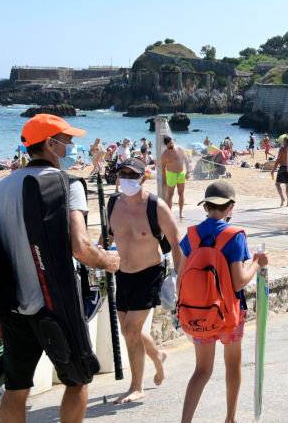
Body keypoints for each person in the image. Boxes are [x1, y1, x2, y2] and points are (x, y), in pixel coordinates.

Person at [0, 114, 120, 423]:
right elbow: (81, 247)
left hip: (13, 308)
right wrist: (109, 260)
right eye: (68, 141)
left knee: (16, 388)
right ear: (50, 144)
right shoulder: (67, 184)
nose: (73, 147)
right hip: (56, 304)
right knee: (78, 380)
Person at [179, 181, 268, 423]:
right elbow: (239, 282)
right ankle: (230, 418)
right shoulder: (234, 236)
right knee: (232, 365)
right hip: (229, 313)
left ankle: (185, 420)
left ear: (206, 206)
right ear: (230, 207)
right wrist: (257, 263)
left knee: (202, 370)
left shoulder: (192, 235)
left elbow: (181, 275)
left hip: (198, 311)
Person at [108, 159, 183, 404]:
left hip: (149, 273)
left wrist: (179, 278)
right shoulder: (112, 203)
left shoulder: (155, 206)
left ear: (143, 177)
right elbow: (108, 237)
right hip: (122, 273)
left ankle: (136, 386)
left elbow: (175, 242)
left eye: (133, 174)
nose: (127, 178)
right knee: (131, 330)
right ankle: (157, 356)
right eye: (123, 173)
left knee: (130, 330)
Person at [160, 136, 190, 217]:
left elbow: (186, 160)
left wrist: (188, 172)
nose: (172, 144)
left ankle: (181, 213)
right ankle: (169, 214)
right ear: (166, 144)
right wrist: (164, 178)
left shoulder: (179, 149)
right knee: (170, 195)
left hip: (181, 174)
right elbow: (162, 168)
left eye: (172, 142)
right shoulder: (165, 154)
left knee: (181, 193)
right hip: (171, 174)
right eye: (170, 143)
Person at [270, 137, 288, 207]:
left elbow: (278, 160)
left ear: (285, 142)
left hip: (283, 167)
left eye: (283, 141)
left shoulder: (282, 149)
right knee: (287, 185)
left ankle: (282, 198)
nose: (282, 142)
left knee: (277, 184)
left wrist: (273, 170)